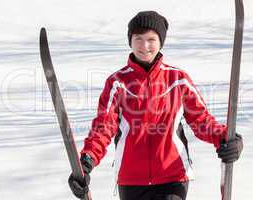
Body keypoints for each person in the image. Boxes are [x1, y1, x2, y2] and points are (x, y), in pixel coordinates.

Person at [68, 11, 243, 200]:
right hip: (131, 180)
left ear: (160, 42)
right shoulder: (117, 83)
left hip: (173, 177)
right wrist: (86, 161)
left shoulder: (178, 80)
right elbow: (103, 128)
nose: (145, 46)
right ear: (130, 41)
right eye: (138, 38)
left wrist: (226, 138)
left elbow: (201, 121)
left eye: (151, 39)